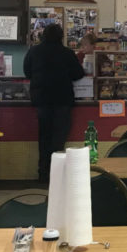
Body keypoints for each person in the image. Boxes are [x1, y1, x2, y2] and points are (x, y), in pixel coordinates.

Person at [23, 24, 85, 182]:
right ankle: (57, 175)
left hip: (41, 100)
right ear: (61, 37)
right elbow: (78, 74)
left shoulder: (34, 51)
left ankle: (43, 174)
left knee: (44, 137)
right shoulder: (67, 53)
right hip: (62, 99)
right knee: (59, 138)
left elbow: (27, 72)